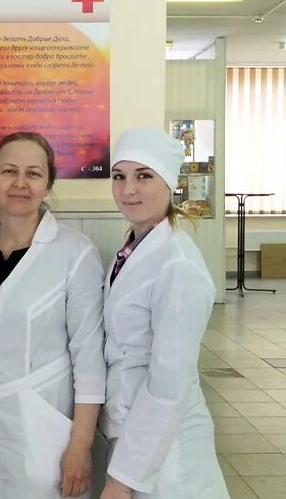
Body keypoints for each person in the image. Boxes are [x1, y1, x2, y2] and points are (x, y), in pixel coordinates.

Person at [0, 132, 105, 499]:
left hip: (43, 431)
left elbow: (89, 359)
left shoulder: (75, 253)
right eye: (9, 171)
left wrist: (80, 445)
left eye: (33, 173)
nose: (20, 183)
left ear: (48, 185)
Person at [100, 128, 229, 499]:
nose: (128, 189)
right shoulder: (135, 248)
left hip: (168, 448)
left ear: (169, 183)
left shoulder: (177, 265)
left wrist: (121, 481)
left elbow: (169, 383)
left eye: (144, 176)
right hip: (135, 431)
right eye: (119, 176)